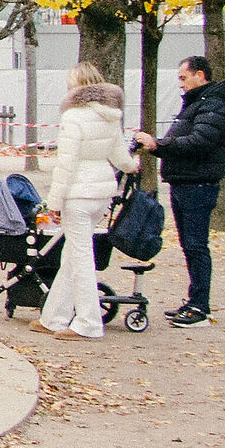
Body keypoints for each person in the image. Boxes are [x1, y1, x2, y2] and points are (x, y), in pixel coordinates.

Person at [136, 56, 225, 326]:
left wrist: (159, 145)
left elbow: (199, 141)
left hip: (198, 183)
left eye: (184, 77)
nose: (180, 83)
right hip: (185, 181)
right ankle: (194, 301)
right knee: (190, 246)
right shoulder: (199, 104)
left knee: (196, 245)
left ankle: (200, 307)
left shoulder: (215, 105)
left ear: (200, 75)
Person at [38, 61, 139, 340]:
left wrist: (54, 202)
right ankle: (54, 316)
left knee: (80, 258)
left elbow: (66, 164)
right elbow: (119, 154)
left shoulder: (73, 118)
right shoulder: (111, 116)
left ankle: (88, 323)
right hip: (102, 191)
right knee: (73, 254)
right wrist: (132, 166)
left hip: (78, 193)